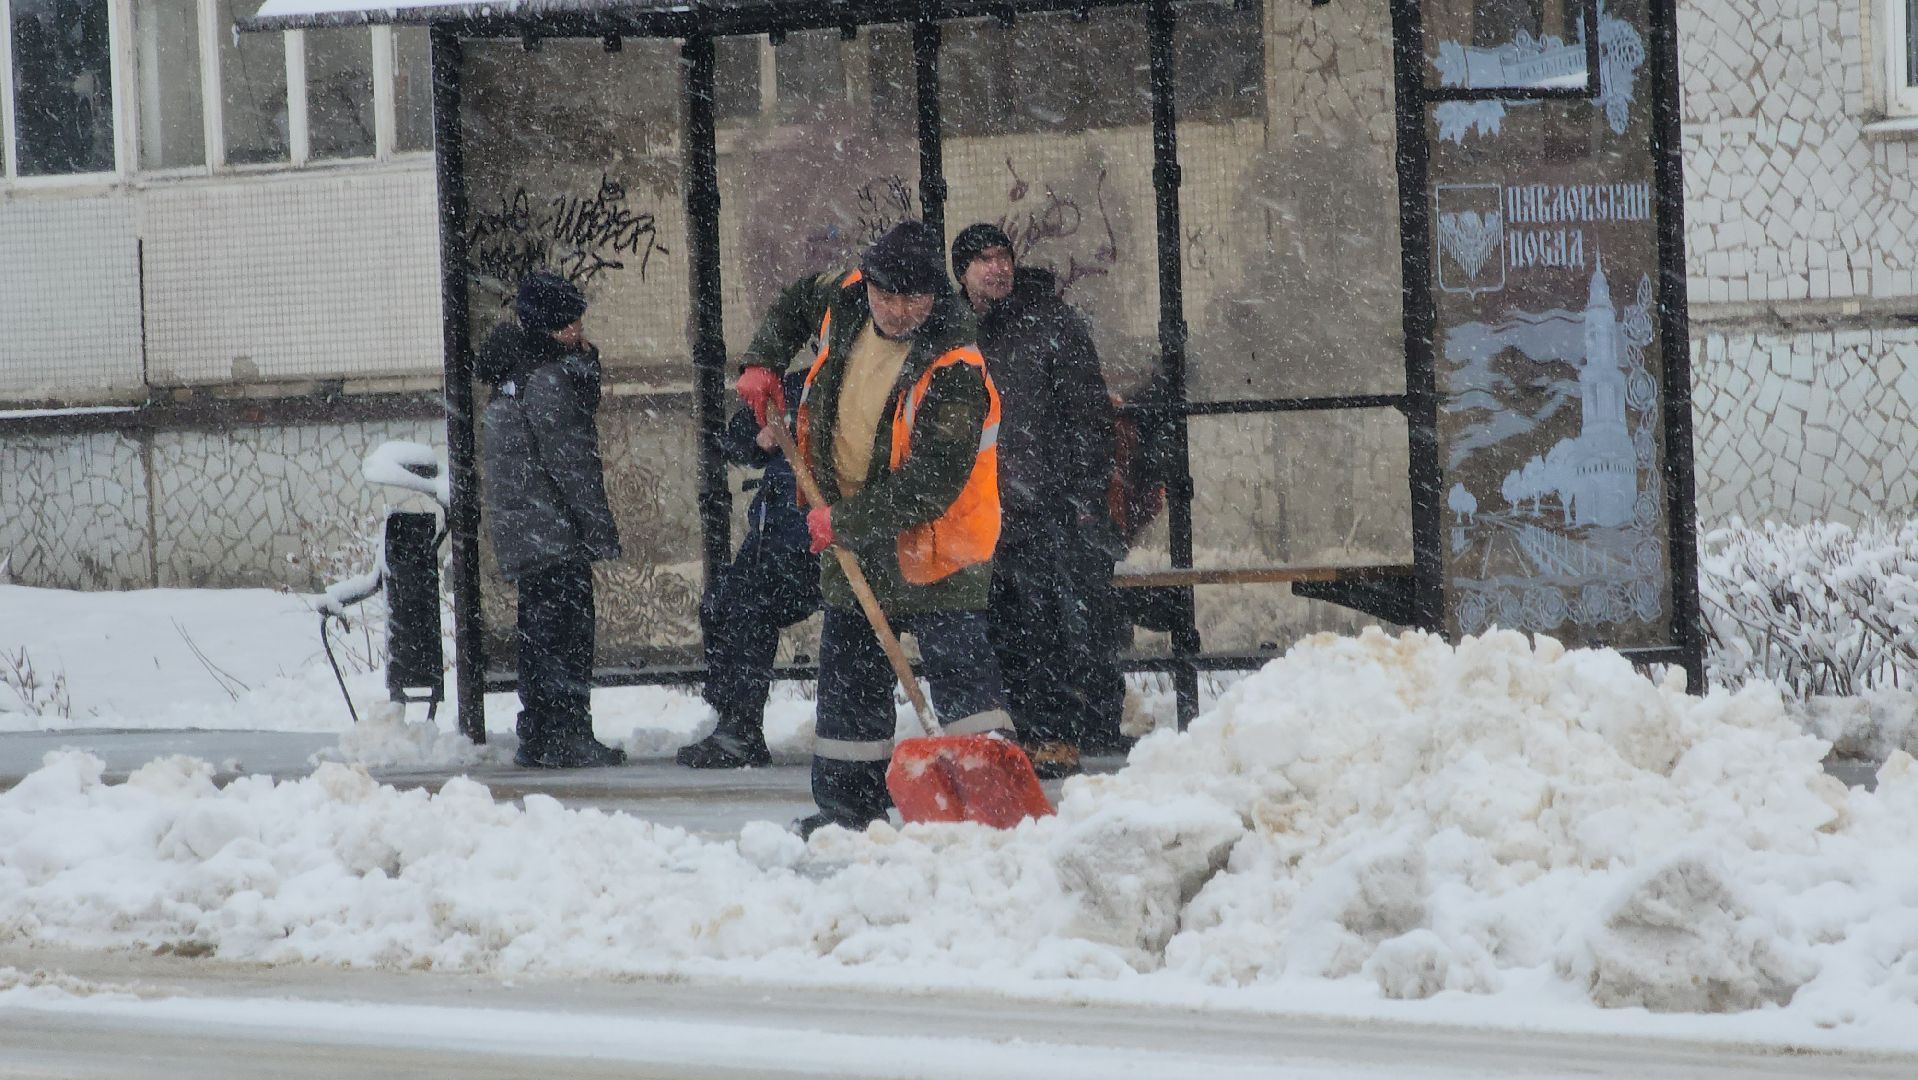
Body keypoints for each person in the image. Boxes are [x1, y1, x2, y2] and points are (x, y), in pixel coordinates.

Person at [734, 220, 1016, 837]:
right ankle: (847, 813)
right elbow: (794, 303)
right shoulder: (848, 293)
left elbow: (930, 484)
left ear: (934, 297)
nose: (892, 310)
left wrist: (844, 520)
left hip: (937, 542)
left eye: (910, 300)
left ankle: (992, 807)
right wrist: (762, 361)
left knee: (961, 675)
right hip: (850, 529)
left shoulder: (955, 365)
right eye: (884, 295)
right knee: (850, 677)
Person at [950, 223, 1126, 775]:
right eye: (981, 260)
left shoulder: (1051, 323)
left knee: (1046, 623)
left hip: (1041, 506)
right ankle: (1008, 734)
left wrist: (1081, 494)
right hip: (974, 509)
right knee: (992, 626)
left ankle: (1054, 735)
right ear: (962, 272)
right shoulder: (950, 330)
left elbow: (1088, 416)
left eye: (1001, 256)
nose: (995, 267)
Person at [476, 271, 627, 770]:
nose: (578, 330)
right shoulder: (549, 379)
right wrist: (598, 531)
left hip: (529, 530)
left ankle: (539, 733)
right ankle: (567, 734)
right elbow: (574, 465)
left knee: (539, 632)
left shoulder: (516, 373)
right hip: (553, 530)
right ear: (549, 327)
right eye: (568, 323)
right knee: (566, 633)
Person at [677, 370, 819, 769]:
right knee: (727, 604)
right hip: (779, 536)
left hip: (829, 537)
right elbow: (735, 439)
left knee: (745, 605)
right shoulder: (795, 387)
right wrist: (759, 439)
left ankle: (852, 736)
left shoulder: (862, 384)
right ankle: (736, 728)